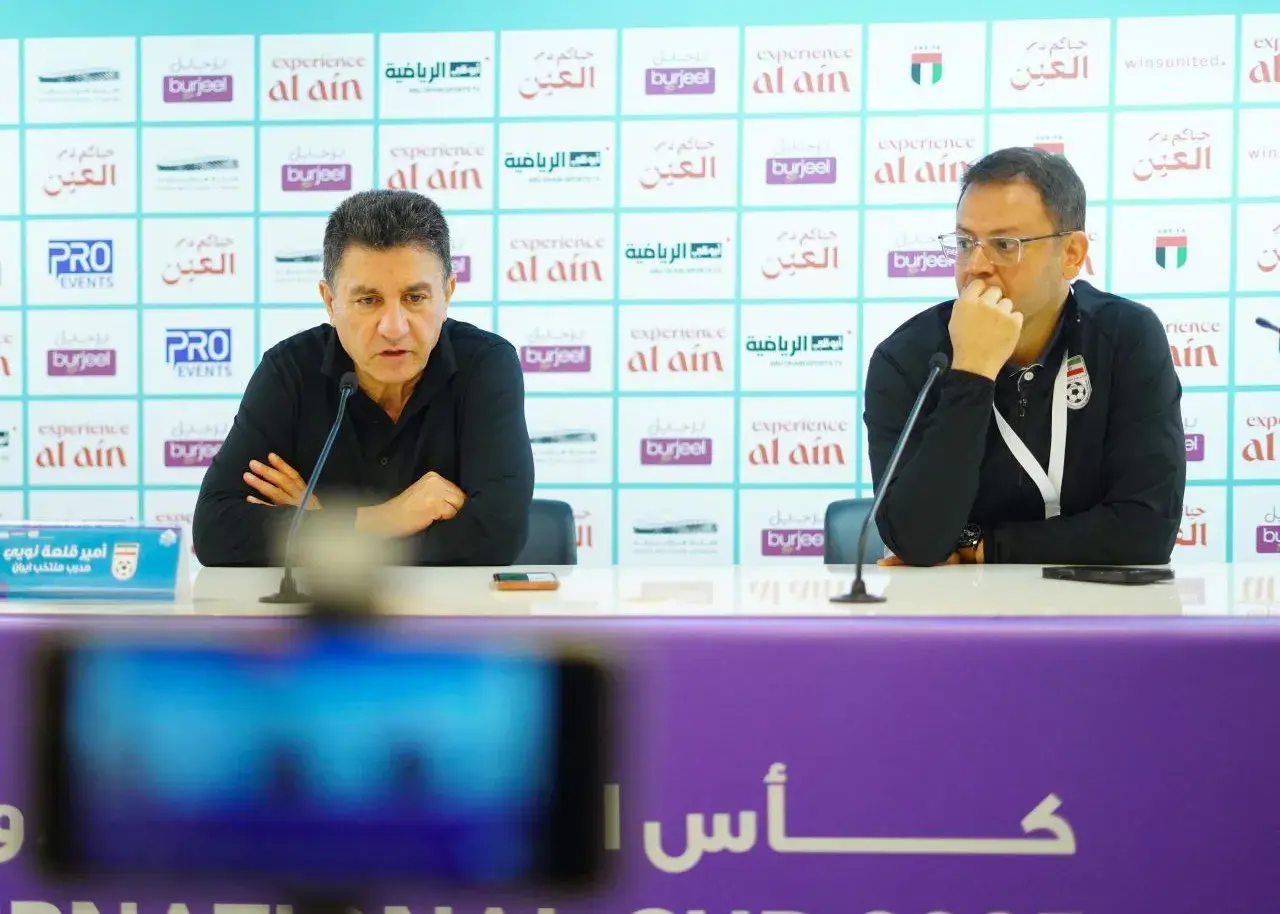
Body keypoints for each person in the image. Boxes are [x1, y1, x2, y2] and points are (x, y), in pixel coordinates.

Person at [863, 147, 1185, 567]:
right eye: (965, 243)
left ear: (1071, 254)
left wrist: (984, 546)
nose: (976, 266)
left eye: (1004, 244)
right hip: (961, 607)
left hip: (1095, 603)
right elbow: (916, 541)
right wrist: (971, 373)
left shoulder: (1126, 338)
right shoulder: (906, 359)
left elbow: (1147, 529)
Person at [192, 189, 534, 566]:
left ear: (447, 294)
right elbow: (215, 533)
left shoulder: (485, 365)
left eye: (415, 298)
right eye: (368, 300)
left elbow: (497, 537)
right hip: (322, 607)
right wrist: (386, 519)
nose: (393, 327)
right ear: (330, 302)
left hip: (449, 606)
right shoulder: (289, 371)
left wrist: (323, 528)